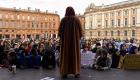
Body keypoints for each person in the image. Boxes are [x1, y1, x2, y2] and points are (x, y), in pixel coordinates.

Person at [58, 6, 83, 78]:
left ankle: (64, 72)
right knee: (75, 56)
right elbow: (81, 32)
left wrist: (64, 38)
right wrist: (76, 38)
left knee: (65, 56)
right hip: (74, 43)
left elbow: (59, 33)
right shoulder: (77, 20)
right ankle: (76, 72)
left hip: (65, 43)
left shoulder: (63, 20)